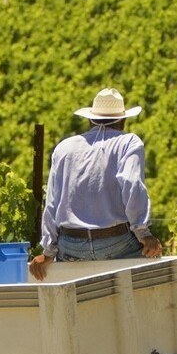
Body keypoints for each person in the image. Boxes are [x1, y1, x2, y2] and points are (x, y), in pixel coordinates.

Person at [30, 88, 162, 279]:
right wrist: (143, 234)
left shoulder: (64, 148)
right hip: (116, 242)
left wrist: (48, 251)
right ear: (123, 121)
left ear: (90, 120)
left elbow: (51, 203)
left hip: (71, 246)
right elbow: (132, 186)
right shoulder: (128, 142)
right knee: (149, 273)